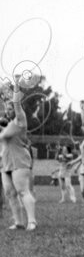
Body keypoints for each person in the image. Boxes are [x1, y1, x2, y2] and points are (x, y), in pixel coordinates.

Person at [0, 90, 37, 230]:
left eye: (10, 109)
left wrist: (16, 85)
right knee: (10, 193)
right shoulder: (9, 125)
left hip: (20, 160)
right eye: (6, 109)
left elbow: (16, 104)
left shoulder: (20, 120)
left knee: (23, 191)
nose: (8, 111)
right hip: (7, 162)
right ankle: (18, 222)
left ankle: (32, 221)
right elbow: (4, 134)